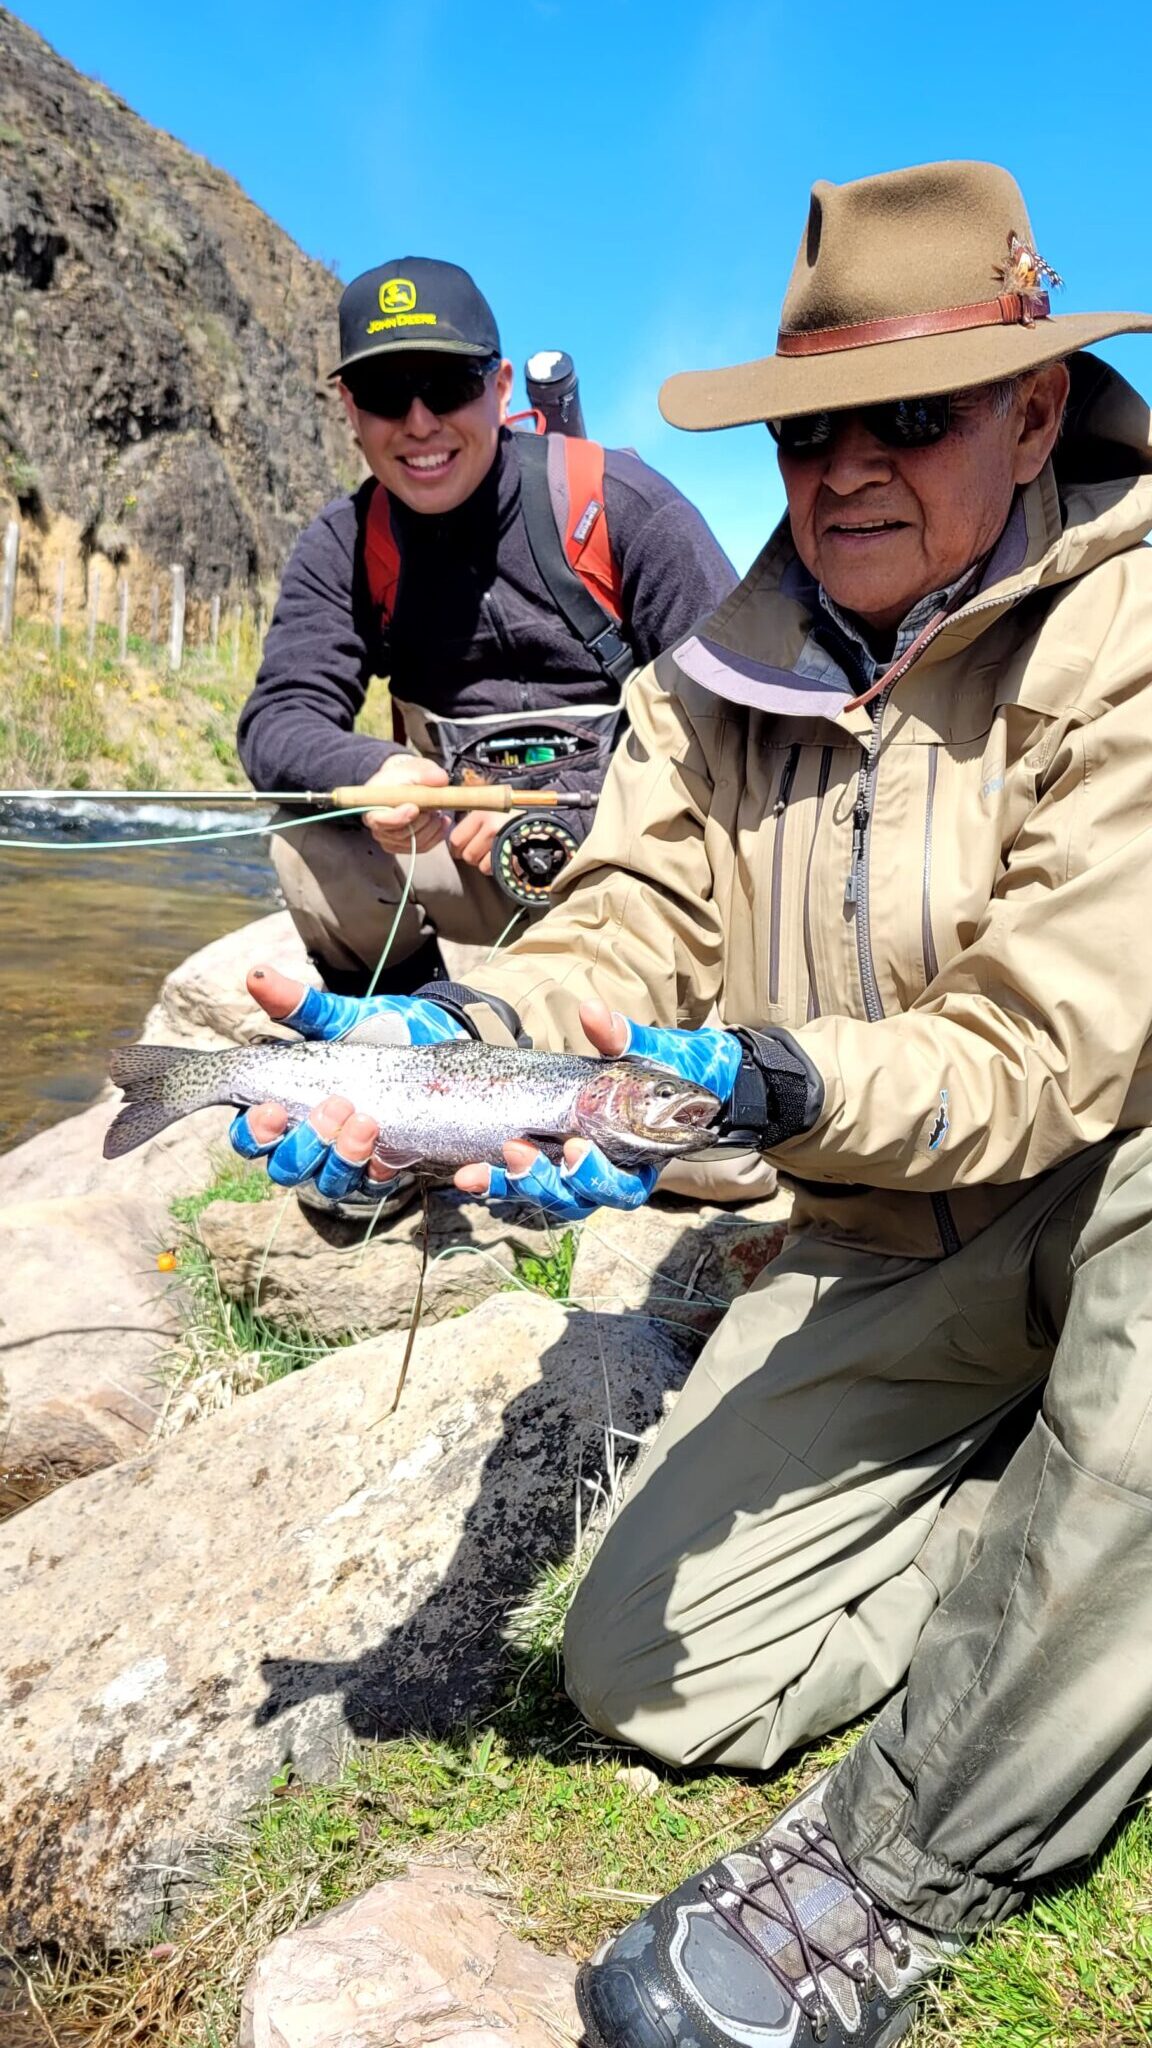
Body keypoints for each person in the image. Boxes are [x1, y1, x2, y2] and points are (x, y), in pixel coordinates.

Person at [232, 160, 1152, 2048]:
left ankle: (909, 1863)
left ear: (1037, 407)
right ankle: (1076, 1539)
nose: (849, 471)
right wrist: (465, 1034)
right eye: (814, 429)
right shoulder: (712, 677)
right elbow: (627, 923)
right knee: (649, 1673)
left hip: (1105, 1168)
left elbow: (1045, 1037)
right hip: (896, 1229)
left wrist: (776, 1077)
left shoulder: (1128, 625)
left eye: (915, 415)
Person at [237, 255, 737, 998]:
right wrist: (375, 772)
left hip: (643, 846)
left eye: (447, 386)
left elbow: (742, 711)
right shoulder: (345, 543)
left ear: (500, 389)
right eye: (384, 393)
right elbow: (278, 719)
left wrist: (588, 793)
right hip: (459, 856)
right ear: (349, 406)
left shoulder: (619, 503)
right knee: (309, 843)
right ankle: (416, 1039)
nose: (418, 423)